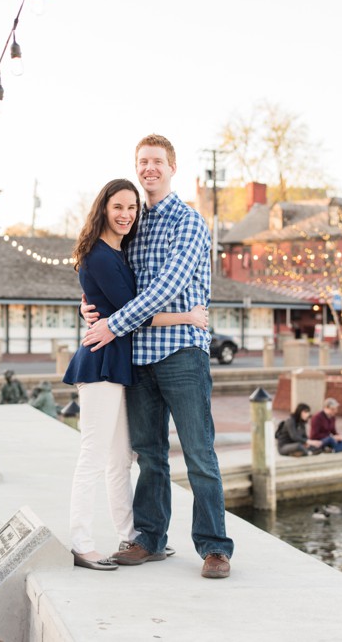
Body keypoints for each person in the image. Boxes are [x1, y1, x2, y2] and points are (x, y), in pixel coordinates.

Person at [81, 134, 234, 579]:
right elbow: (103, 273)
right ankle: (149, 538)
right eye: (142, 161)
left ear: (171, 168)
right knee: (149, 454)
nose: (149, 168)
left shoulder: (188, 223)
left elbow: (165, 288)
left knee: (199, 452)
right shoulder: (130, 222)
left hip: (182, 352)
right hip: (138, 357)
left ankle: (214, 547)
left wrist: (111, 324)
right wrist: (88, 305)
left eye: (157, 162)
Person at [63, 179, 208, 571]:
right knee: (94, 455)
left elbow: (110, 305)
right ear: (103, 209)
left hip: (117, 364)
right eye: (118, 207)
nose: (126, 214)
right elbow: (137, 311)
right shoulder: (99, 255)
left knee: (120, 458)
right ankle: (81, 542)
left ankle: (133, 536)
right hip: (100, 364)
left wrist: (88, 305)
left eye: (132, 208)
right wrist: (189, 317)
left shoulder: (117, 251)